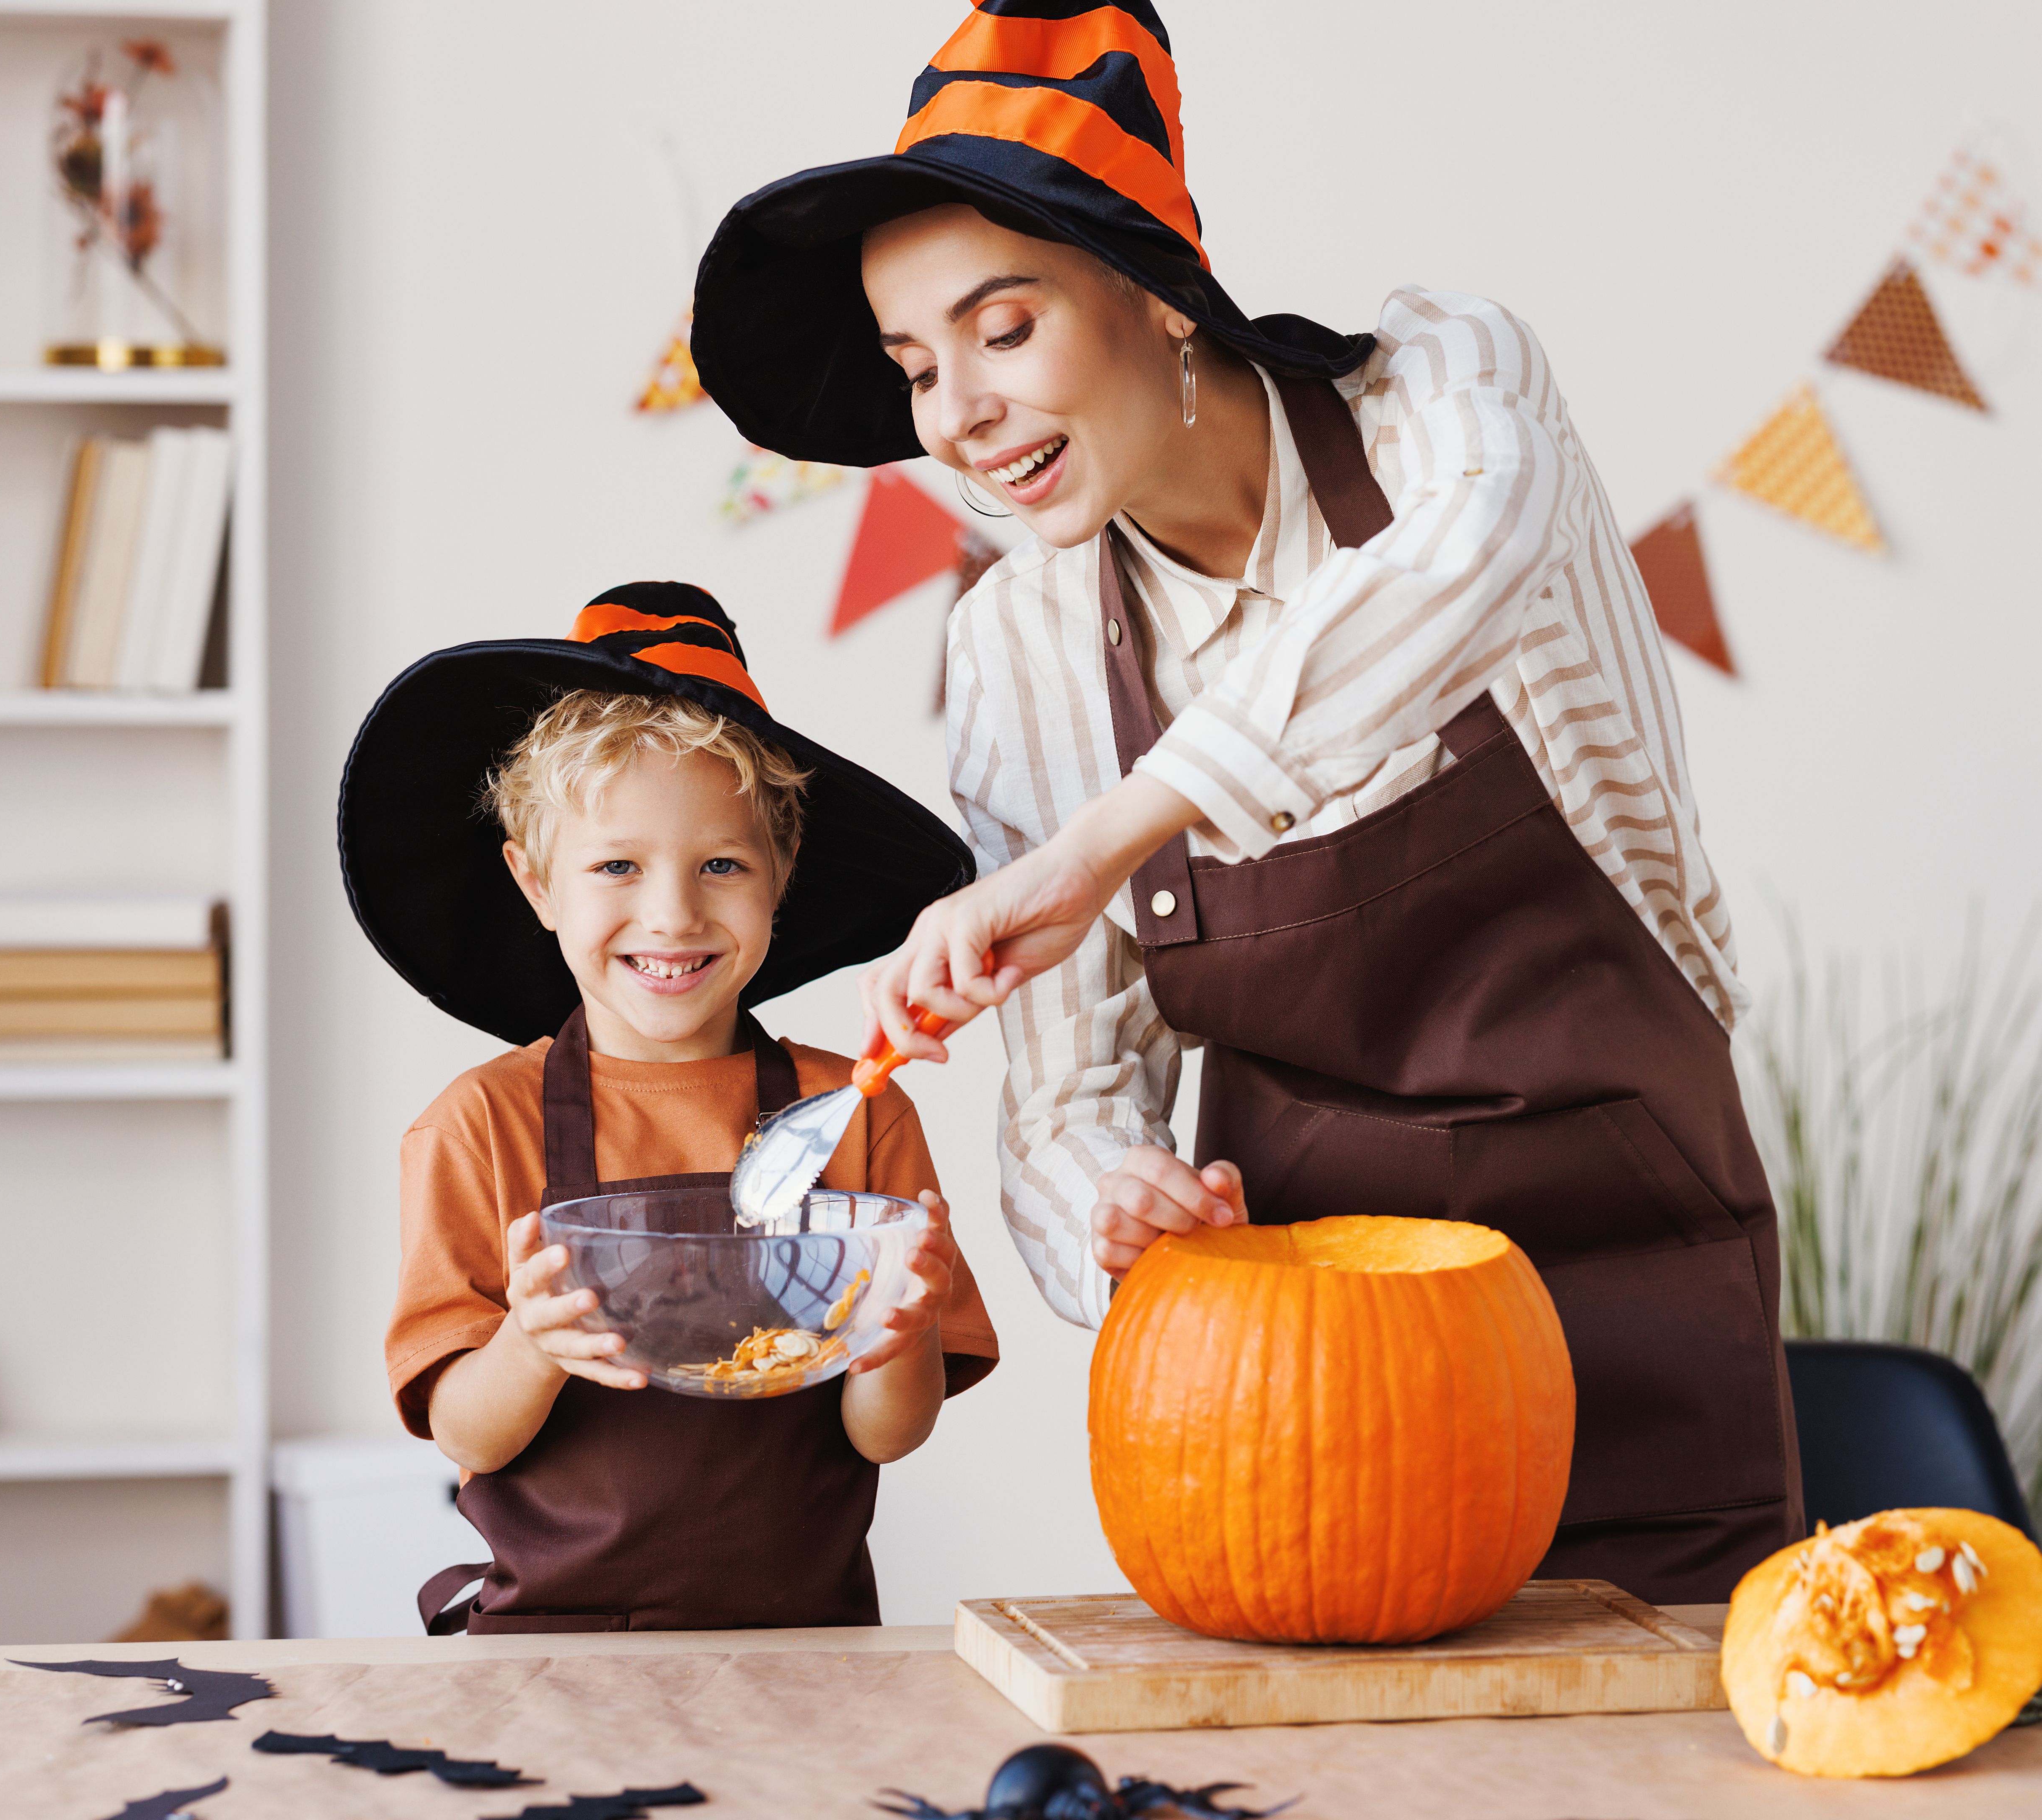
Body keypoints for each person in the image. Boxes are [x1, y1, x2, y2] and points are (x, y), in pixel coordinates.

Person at [689, 1, 1801, 1601]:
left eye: (1003, 332)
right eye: (916, 367)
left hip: (1634, 1296)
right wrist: (1116, 1204)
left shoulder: (1445, 401)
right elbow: (1067, 1102)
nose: (958, 416)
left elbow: (1444, 589)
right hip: (1302, 1398)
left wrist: (1106, 839)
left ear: (1156, 297)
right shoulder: (1022, 642)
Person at [337, 581, 999, 1633]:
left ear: (781, 877)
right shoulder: (478, 1125)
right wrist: (530, 1345)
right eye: (616, 866)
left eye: (722, 865)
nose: (672, 913)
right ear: (536, 883)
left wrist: (901, 1328)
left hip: (811, 1649)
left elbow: (886, 1436)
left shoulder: (859, 1108)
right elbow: (466, 1436)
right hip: (549, 1652)